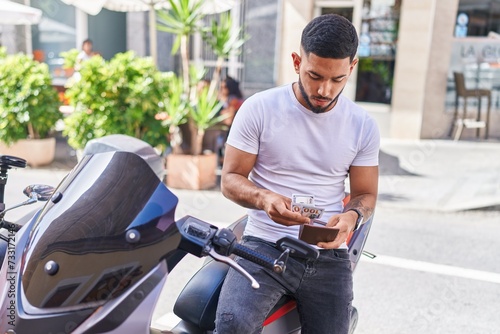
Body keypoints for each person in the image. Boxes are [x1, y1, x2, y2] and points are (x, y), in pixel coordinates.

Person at [215, 13, 380, 334]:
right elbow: (230, 180)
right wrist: (264, 199)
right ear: (296, 61)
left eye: (337, 79)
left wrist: (350, 219)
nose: (324, 89)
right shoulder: (260, 108)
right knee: (231, 326)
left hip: (327, 253)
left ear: (352, 67)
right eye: (314, 75)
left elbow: (365, 194)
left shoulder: (362, 125)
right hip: (262, 245)